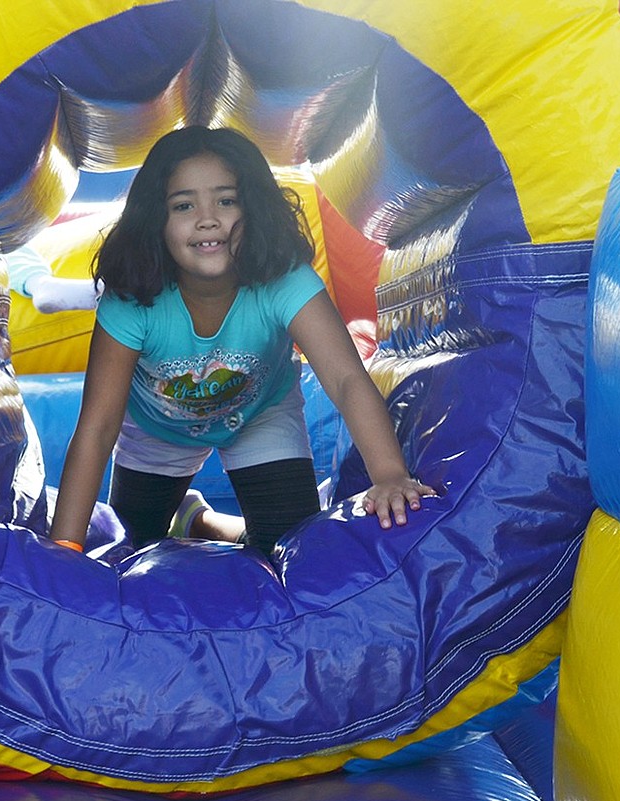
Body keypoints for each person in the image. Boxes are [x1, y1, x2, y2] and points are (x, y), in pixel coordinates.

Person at [48, 126, 434, 556]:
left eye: (226, 200)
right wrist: (65, 546)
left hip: (259, 414)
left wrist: (388, 474)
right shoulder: (134, 299)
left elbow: (345, 378)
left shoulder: (282, 280)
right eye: (184, 205)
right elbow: (98, 426)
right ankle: (188, 515)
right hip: (158, 428)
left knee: (288, 549)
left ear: (254, 209)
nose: (207, 218)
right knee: (136, 544)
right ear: (155, 221)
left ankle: (205, 522)